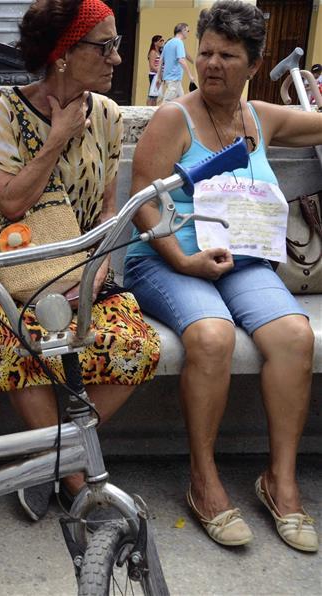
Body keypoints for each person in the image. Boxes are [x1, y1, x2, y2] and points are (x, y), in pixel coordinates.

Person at [124, 0, 318, 552]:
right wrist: (182, 260)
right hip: (168, 260)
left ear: (254, 64)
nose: (211, 64)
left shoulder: (261, 117)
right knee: (212, 336)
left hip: (240, 260)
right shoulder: (173, 118)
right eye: (205, 52)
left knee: (293, 335)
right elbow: (143, 203)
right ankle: (204, 480)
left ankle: (279, 481)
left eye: (227, 56)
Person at [0, 0, 160, 522]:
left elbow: (105, 211)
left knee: (137, 348)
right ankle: (78, 478)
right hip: (16, 275)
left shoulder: (107, 116)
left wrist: (97, 268)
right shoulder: (3, 109)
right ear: (62, 54)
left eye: (117, 44)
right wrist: (57, 137)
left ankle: (47, 459)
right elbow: (11, 202)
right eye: (105, 46)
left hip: (85, 271)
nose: (118, 59)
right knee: (19, 343)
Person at [157, 22, 196, 103]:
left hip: (172, 80)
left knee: (181, 104)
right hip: (173, 81)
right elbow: (181, 60)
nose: (188, 33)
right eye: (187, 31)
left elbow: (161, 61)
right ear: (183, 30)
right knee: (165, 105)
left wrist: (159, 77)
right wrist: (190, 76)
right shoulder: (179, 42)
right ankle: (158, 115)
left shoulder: (168, 43)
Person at [147, 34, 164, 106]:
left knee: (155, 94)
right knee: (152, 94)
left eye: (163, 41)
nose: (162, 42)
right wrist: (160, 72)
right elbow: (152, 66)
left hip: (158, 75)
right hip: (154, 75)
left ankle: (153, 109)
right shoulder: (153, 52)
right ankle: (148, 108)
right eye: (160, 41)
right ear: (155, 42)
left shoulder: (159, 52)